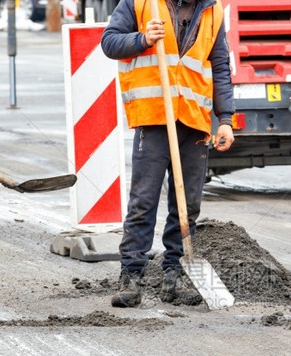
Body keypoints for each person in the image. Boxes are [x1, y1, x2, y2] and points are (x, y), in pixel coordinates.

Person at [101, 0, 234, 308]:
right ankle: (131, 276)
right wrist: (142, 39)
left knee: (187, 205)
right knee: (143, 201)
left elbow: (220, 65)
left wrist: (225, 119)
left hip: (193, 119)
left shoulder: (213, 11)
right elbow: (109, 42)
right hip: (154, 116)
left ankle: (174, 275)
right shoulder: (141, 3)